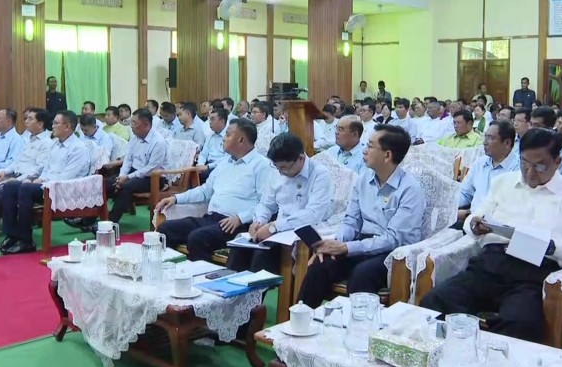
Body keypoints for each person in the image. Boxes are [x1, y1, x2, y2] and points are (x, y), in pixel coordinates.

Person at [421, 129, 562, 343]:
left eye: (540, 166)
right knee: (436, 301)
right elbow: (475, 217)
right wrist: (474, 225)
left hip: (532, 274)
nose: (530, 173)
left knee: (520, 324)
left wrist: (552, 247)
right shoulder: (504, 182)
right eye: (524, 164)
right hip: (489, 265)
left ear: (557, 161)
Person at [297, 124, 424, 308]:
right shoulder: (364, 180)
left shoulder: (410, 190)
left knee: (362, 274)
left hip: (393, 254)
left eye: (370, 146)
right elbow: (352, 220)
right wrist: (335, 244)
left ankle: (358, 325)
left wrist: (346, 247)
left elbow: (393, 239)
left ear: (387, 155)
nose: (364, 150)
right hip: (362, 244)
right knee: (320, 264)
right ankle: (301, 318)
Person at [156, 118, 273, 261]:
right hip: (212, 218)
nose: (223, 138)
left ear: (241, 140)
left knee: (197, 238)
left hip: (235, 224)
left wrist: (241, 218)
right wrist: (176, 198)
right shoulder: (225, 162)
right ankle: (169, 271)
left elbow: (265, 203)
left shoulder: (262, 166)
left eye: (228, 134)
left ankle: (201, 274)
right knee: (165, 229)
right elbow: (205, 191)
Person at [227, 134, 332, 273]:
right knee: (240, 249)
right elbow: (266, 203)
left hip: (304, 230)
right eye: (277, 167)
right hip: (278, 229)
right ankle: (230, 287)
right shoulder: (276, 170)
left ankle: (258, 288)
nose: (281, 173)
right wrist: (259, 221)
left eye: (284, 168)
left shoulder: (320, 174)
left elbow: (313, 214)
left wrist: (274, 227)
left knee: (262, 254)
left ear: (301, 158)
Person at [0, 110, 90, 254]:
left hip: (64, 190)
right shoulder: (55, 144)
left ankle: (26, 241)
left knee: (26, 188)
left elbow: (66, 177)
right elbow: (47, 168)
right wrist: (40, 178)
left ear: (67, 126)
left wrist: (42, 183)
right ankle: (12, 235)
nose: (52, 126)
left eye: (56, 123)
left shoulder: (78, 148)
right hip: (47, 185)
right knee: (10, 186)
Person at [0, 109, 53, 249]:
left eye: (30, 119)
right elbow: (17, 161)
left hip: (27, 180)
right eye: (26, 118)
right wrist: (5, 172)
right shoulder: (29, 139)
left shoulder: (46, 143)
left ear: (40, 124)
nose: (26, 121)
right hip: (15, 175)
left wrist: (17, 179)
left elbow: (39, 169)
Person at [107, 109, 168, 223]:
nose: (131, 126)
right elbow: (128, 159)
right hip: (134, 173)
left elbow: (151, 169)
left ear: (146, 124)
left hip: (153, 178)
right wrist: (122, 175)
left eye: (134, 122)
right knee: (107, 183)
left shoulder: (158, 142)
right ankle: (89, 219)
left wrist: (127, 178)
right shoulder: (135, 138)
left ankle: (111, 222)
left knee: (126, 186)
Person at [457, 121, 519, 225]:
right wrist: (449, 206)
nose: (485, 142)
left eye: (491, 138)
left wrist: (468, 214)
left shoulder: (517, 169)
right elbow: (465, 193)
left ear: (507, 143)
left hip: (496, 225)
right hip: (469, 221)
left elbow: (508, 208)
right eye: (485, 137)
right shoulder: (479, 163)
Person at [197, 109, 229, 183]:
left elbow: (227, 159)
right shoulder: (210, 135)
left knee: (204, 175)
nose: (210, 122)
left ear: (222, 121)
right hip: (207, 164)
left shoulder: (229, 136)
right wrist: (200, 164)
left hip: (221, 166)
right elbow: (203, 154)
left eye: (212, 119)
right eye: (209, 119)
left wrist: (208, 166)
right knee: (192, 173)